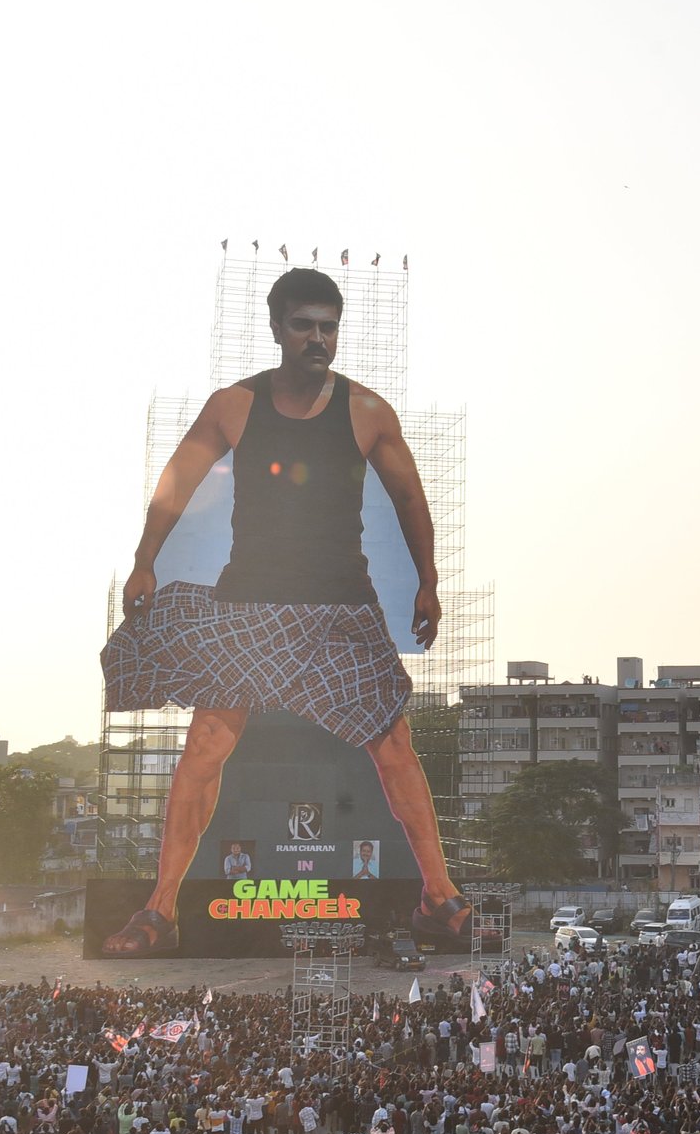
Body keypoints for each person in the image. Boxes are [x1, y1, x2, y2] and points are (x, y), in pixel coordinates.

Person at [100, 268, 467, 954]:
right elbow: (176, 483)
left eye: (329, 325)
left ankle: (440, 898)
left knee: (394, 745)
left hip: (341, 606)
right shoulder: (235, 406)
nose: (318, 337)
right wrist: (146, 557)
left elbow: (411, 498)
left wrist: (427, 581)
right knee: (206, 743)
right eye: (304, 324)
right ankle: (159, 909)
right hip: (250, 603)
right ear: (277, 329)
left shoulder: (366, 412)